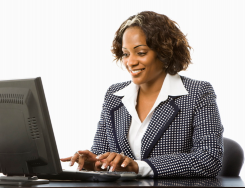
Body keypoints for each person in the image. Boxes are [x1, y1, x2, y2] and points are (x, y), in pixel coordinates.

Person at [60, 11, 224, 178]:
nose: (130, 62)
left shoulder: (197, 93)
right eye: (125, 54)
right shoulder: (114, 95)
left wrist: (138, 167)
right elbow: (104, 156)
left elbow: (209, 160)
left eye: (141, 52)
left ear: (164, 52)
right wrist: (94, 163)